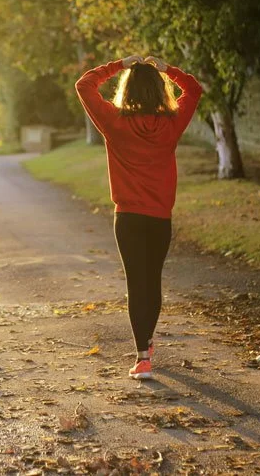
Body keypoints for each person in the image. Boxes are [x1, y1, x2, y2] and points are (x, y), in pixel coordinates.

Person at [75, 55, 203, 379]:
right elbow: (194, 89)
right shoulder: (172, 123)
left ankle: (142, 357)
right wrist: (167, 69)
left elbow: (84, 85)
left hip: (128, 218)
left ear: (127, 90)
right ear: (160, 91)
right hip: (160, 218)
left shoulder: (114, 122)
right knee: (152, 281)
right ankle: (146, 341)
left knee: (136, 283)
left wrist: (119, 64)